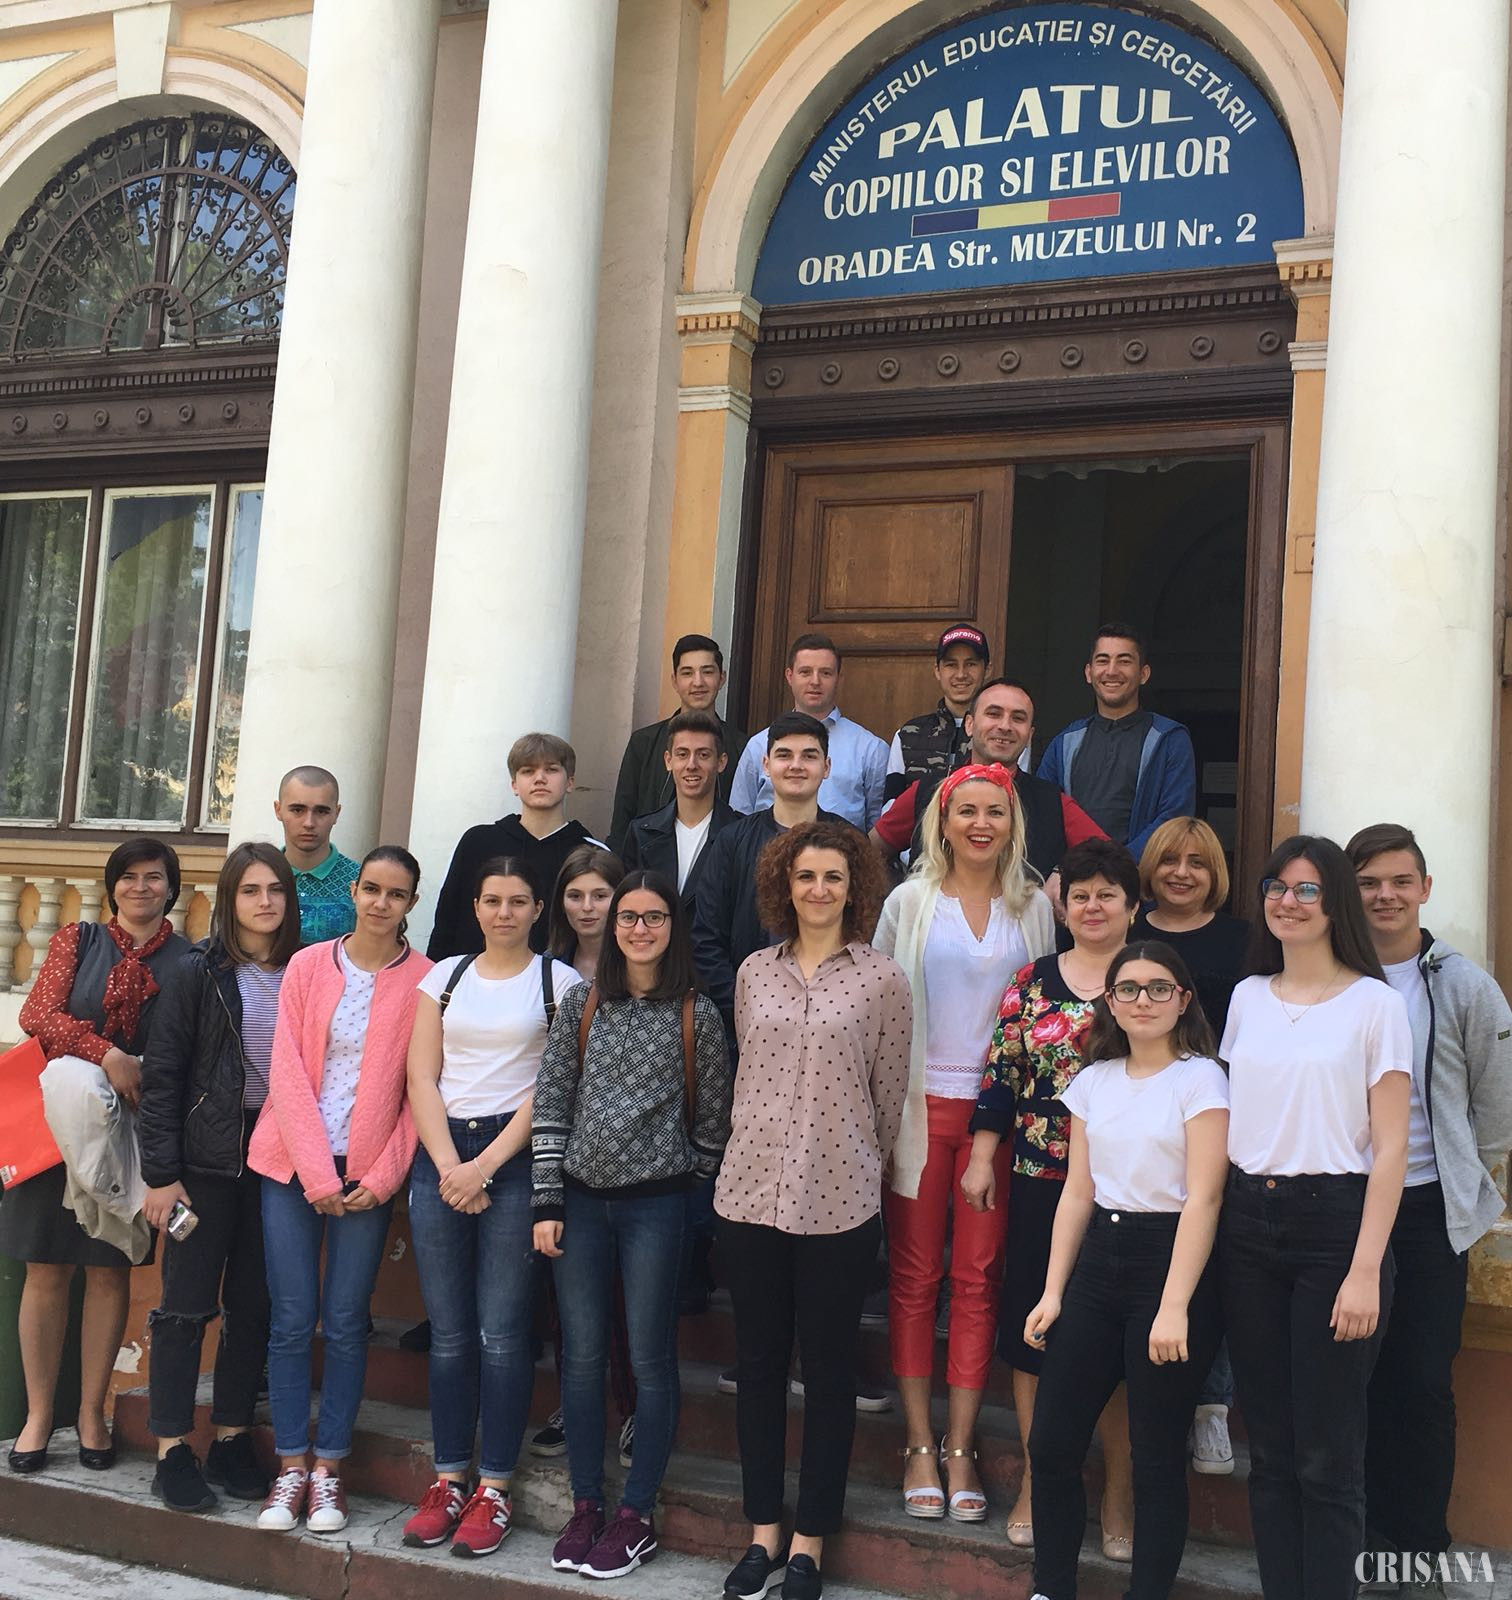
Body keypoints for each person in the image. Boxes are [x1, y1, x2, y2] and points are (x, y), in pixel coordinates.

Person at [716, 822, 910, 1600]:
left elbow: (888, 1094)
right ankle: (763, 1529)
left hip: (840, 1201)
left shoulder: (883, 980)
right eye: (806, 876)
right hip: (749, 1192)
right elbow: (746, 1067)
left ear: (854, 888)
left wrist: (858, 1158)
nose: (819, 889)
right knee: (760, 1367)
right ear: (784, 886)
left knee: (829, 1373)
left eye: (834, 877)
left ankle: (810, 1541)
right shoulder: (753, 973)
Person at [1219, 835, 1410, 1600]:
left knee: (1328, 1456)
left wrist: (1365, 1271)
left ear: (1335, 903)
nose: (1288, 902)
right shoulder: (1247, 997)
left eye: (1306, 889)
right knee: (1268, 1451)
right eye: (1276, 887)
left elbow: (1391, 1150)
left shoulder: (1377, 1005)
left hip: (1336, 1229)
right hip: (1246, 1226)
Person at [533, 870, 731, 1580]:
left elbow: (713, 1120)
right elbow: (553, 1099)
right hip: (580, 1205)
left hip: (658, 1209)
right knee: (582, 1357)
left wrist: (684, 1186)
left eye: (654, 917)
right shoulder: (583, 1002)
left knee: (650, 1359)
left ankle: (635, 1513)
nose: (639, 929)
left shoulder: (697, 1014)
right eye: (628, 917)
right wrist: (547, 1201)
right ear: (611, 926)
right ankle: (586, 1503)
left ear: (673, 928)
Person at [873, 765, 1055, 1524]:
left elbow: (1042, 1013)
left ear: (1013, 825)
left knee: (979, 1279)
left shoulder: (1033, 908)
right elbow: (881, 1006)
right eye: (967, 811)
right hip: (919, 1111)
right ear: (942, 824)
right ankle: (918, 1441)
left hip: (996, 1120)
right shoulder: (908, 902)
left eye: (995, 812)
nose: (981, 824)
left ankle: (960, 1445)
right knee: (915, 1276)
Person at [1021, 941, 1229, 1600]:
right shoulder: (1094, 1081)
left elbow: (1205, 1197)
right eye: (1129, 988)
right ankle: (1052, 1586)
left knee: (1156, 1454)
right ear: (1109, 1002)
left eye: (1159, 987)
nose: (1144, 1000)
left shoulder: (1202, 1079)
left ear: (1183, 1000)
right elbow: (1077, 1192)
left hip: (1171, 1265)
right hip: (1099, 1264)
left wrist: (1174, 1306)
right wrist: (1053, 1291)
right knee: (1052, 1443)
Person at [961, 838, 1140, 1559]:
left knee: (1117, 1339)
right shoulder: (1032, 981)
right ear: (1062, 907)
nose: (1093, 907)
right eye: (1081, 895)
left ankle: (1120, 1485)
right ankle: (1039, 1481)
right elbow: (1001, 1072)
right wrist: (982, 1156)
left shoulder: (1150, 980)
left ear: (1133, 906)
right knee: (1034, 1330)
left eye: (1107, 895)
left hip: (1130, 1187)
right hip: (1040, 1178)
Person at [1347, 823, 1512, 1591]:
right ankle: (1359, 1539)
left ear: (1424, 888)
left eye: (1399, 881)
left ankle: (1416, 1550)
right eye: (1368, 882)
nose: (1385, 895)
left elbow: (1495, 1105)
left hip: (1427, 1214)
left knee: (1420, 1383)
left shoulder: (1463, 985)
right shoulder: (1333, 975)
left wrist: (1469, 1179)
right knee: (1352, 1382)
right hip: (1342, 1210)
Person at [250, 845, 431, 1537]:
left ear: (412, 903)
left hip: (368, 1176)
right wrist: (317, 1175)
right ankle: (290, 1465)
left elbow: (420, 1091)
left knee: (349, 1321)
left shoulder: (425, 981)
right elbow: (286, 1073)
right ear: (354, 892)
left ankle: (329, 1468)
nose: (381, 903)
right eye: (372, 889)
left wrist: (380, 1178)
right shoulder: (307, 965)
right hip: (292, 1167)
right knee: (293, 1318)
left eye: (396, 894)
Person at [400, 856, 578, 1559]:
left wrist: (484, 1166)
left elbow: (552, 1087)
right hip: (441, 1154)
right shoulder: (443, 977)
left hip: (513, 1157)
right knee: (449, 1335)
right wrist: (450, 1165)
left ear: (538, 909)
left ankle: (494, 1487)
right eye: (492, 900)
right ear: (475, 907)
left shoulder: (559, 982)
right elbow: (420, 1075)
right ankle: (449, 1480)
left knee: (502, 1335)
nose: (504, 912)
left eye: (518, 901)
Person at [3, 838, 191, 1475]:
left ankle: (90, 1414)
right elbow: (37, 1015)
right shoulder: (77, 940)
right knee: (46, 1270)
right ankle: (37, 1417)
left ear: (172, 889)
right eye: (129, 877)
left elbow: (187, 1047)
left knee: (109, 1272)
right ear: (112, 888)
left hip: (133, 1138)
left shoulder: (189, 961)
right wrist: (105, 1054)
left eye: (154, 877)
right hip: (56, 1134)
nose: (141, 887)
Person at [139, 841, 302, 1513]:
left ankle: (231, 1437)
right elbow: (162, 1078)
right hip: (201, 1167)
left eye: (276, 889)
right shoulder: (196, 972)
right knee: (184, 1306)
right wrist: (160, 1175)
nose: (265, 902)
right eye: (250, 890)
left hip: (276, 1161)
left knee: (255, 1305)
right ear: (229, 899)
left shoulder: (305, 969)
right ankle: (172, 1448)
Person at [1132, 815, 1249, 1476]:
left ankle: (1211, 1402)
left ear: (1215, 874)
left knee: (1214, 1254)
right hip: (1136, 1118)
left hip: (1218, 1115)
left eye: (1197, 862)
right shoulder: (1128, 930)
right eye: (1170, 860)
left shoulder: (1244, 940)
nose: (1181, 873)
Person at [692, 712, 846, 1044]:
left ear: (826, 767)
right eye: (784, 755)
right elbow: (706, 936)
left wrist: (836, 1006)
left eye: (809, 756)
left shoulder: (848, 843)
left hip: (832, 1023)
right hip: (745, 1025)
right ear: (766, 765)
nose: (796, 765)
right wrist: (742, 1003)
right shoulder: (732, 842)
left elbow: (864, 930)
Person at [872, 679, 1105, 886]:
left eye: (1018, 718)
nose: (1005, 726)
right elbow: (869, 852)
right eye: (993, 714)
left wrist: (1063, 871)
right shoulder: (928, 791)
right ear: (969, 724)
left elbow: (1108, 858)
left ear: (1030, 734)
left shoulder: (1051, 802)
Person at [428, 734, 603, 960]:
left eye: (551, 770)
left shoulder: (590, 852)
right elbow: (447, 920)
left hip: (561, 978)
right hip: (475, 974)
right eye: (528, 771)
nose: (540, 779)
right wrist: (439, 974)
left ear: (569, 782)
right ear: (514, 785)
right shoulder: (478, 842)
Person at [1036, 624, 1196, 860]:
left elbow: (1175, 818)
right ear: (1089, 672)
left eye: (1124, 661)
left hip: (1142, 876)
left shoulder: (1170, 739)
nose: (1111, 671)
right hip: (1076, 876)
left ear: (1144, 674)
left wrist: (1122, 865)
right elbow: (1043, 812)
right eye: (1103, 660)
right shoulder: (1064, 743)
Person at [729, 634, 888, 830]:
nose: (815, 681)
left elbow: (877, 829)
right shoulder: (758, 745)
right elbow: (739, 820)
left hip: (841, 847)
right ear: (790, 676)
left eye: (825, 673)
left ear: (839, 678)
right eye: (805, 672)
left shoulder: (870, 749)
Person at [608, 634, 748, 848]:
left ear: (722, 678)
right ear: (674, 680)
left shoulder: (742, 746)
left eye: (707, 672)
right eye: (687, 673)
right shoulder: (643, 743)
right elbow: (622, 824)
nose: (698, 682)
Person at [622, 711, 738, 905]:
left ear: (721, 762)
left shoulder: (742, 835)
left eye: (703, 755)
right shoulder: (641, 833)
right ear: (668, 761)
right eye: (682, 754)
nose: (691, 765)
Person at [885, 625, 992, 800]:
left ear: (987, 669)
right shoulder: (907, 735)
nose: (961, 674)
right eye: (951, 665)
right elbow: (890, 806)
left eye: (971, 664)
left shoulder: (1002, 734)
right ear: (937, 670)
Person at [273, 765, 360, 946]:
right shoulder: (258, 876)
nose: (309, 823)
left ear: (336, 813)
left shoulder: (361, 882)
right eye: (298, 810)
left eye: (321, 811)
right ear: (278, 809)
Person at [548, 845, 626, 982]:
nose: (587, 907)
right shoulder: (548, 965)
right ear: (561, 902)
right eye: (575, 896)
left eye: (600, 896)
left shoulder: (639, 963)